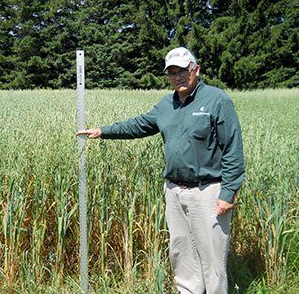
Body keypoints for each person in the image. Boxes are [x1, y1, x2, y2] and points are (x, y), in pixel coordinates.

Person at [76, 47, 244, 294]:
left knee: (212, 259)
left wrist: (228, 193)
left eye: (183, 71)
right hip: (174, 191)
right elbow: (140, 125)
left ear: (195, 70)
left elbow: (232, 149)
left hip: (207, 192)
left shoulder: (217, 100)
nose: (177, 77)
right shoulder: (167, 104)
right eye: (172, 73)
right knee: (182, 253)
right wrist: (103, 131)